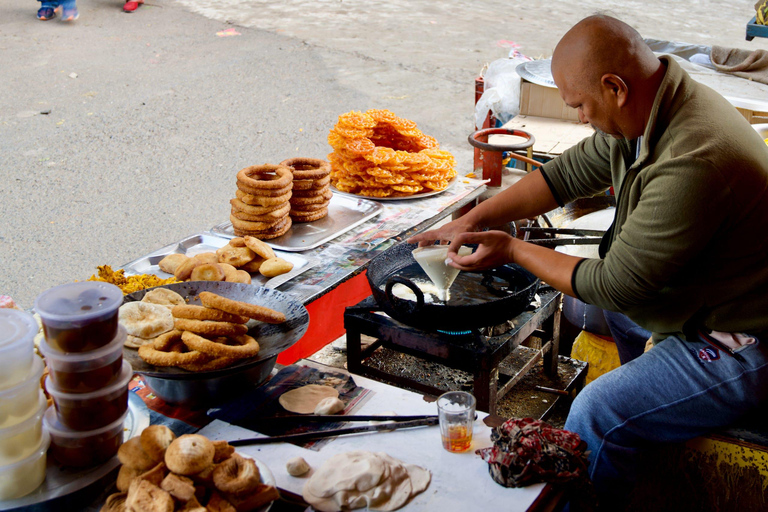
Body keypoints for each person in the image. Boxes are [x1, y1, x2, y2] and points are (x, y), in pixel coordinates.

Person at [409, 14, 768, 510]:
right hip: (703, 300)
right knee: (605, 316)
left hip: (744, 341)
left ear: (614, 87)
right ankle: (640, 434)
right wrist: (471, 220)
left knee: (597, 410)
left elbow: (618, 285)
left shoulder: (694, 157)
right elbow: (566, 176)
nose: (579, 117)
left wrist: (513, 248)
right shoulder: (652, 105)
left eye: (580, 105)